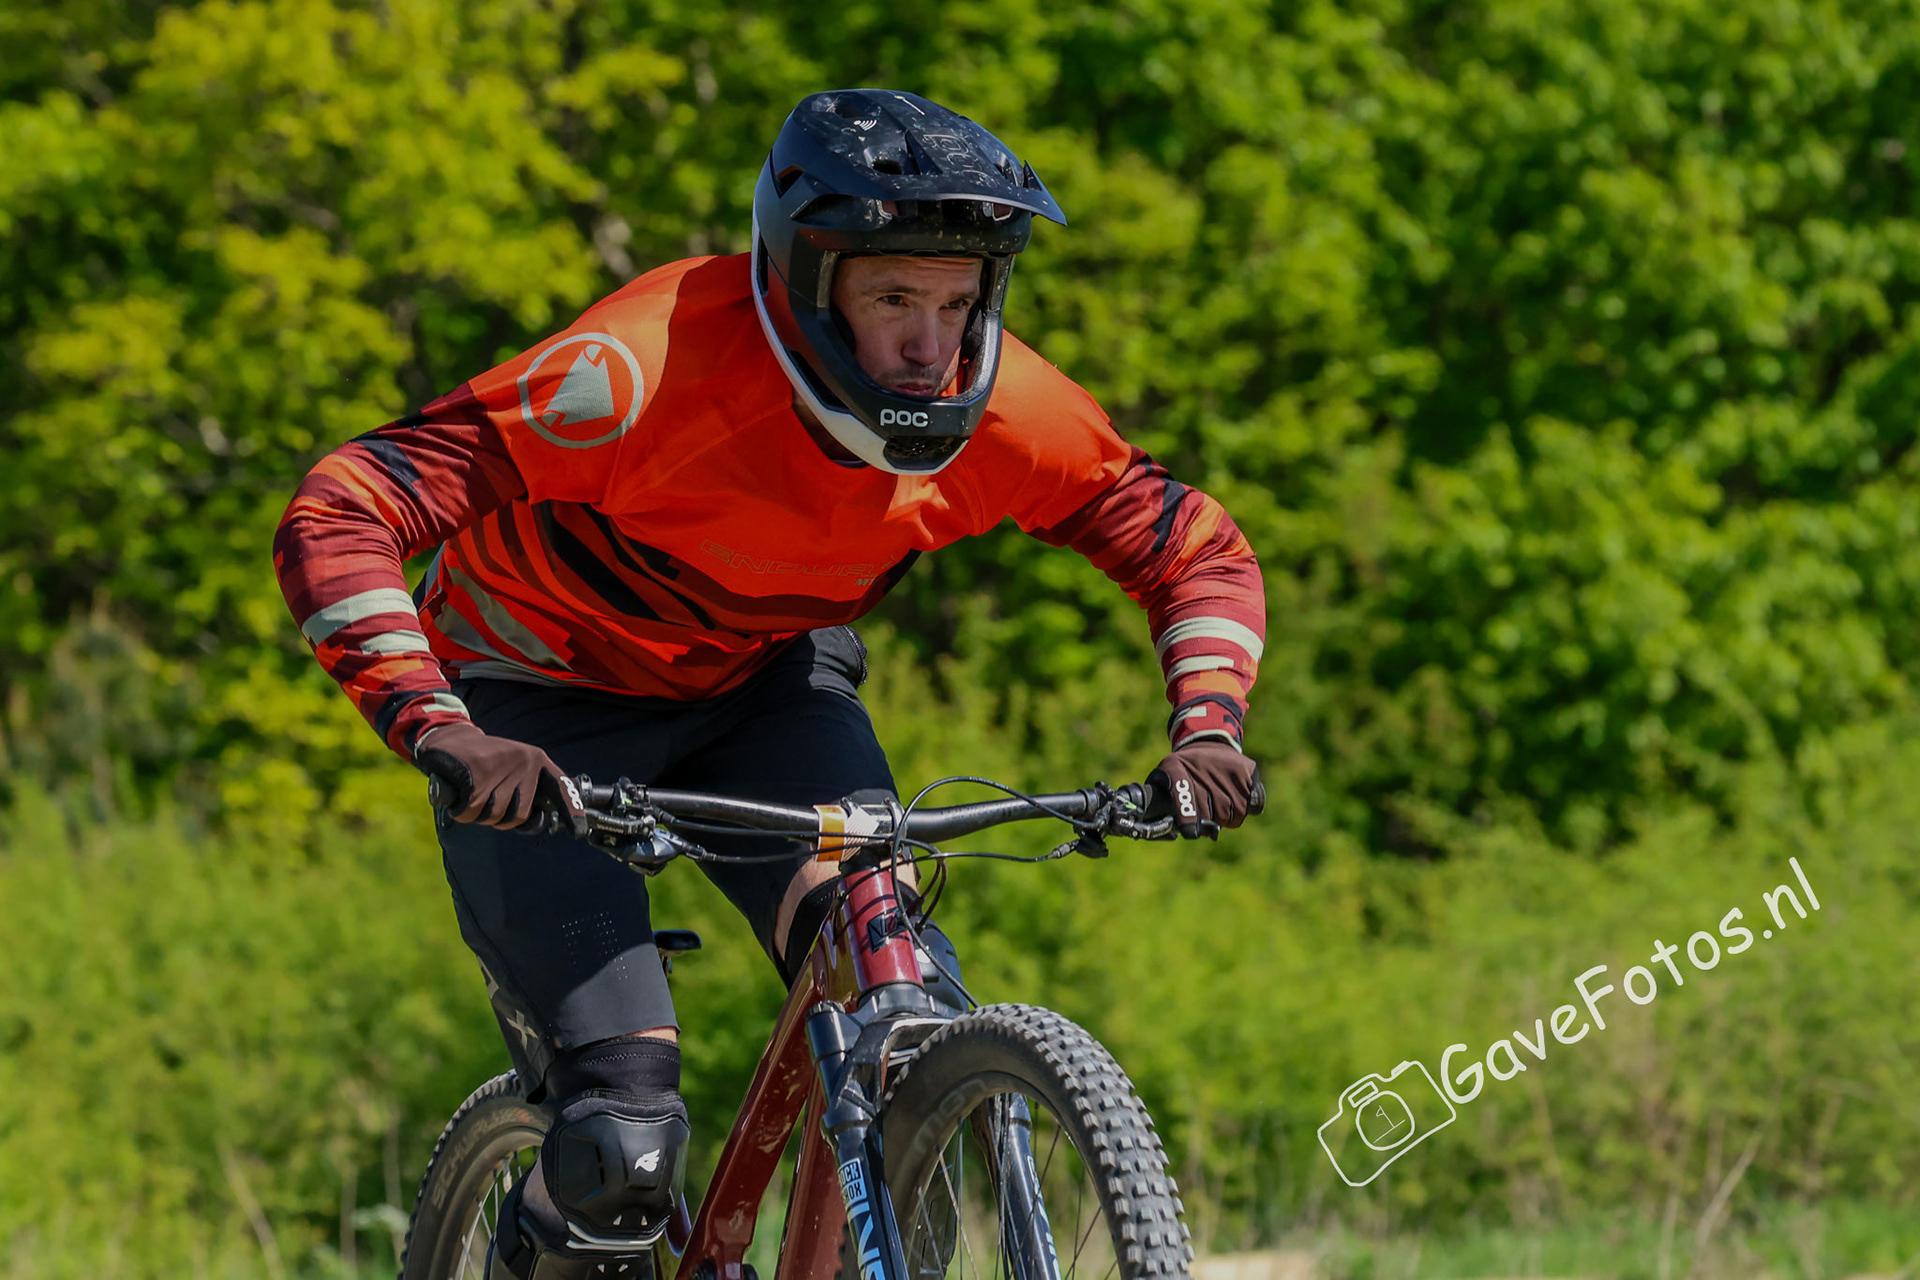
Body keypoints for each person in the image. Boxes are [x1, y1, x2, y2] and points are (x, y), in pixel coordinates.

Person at [274, 89, 1265, 1280]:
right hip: (534, 698)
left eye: (958, 302)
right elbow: (347, 502)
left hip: (765, 687)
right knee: (622, 1143)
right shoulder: (638, 371)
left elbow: (1193, 548)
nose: (931, 345)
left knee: (905, 1017)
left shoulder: (1013, 413)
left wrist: (1209, 728)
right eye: (893, 299)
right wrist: (435, 722)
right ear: (807, 283)